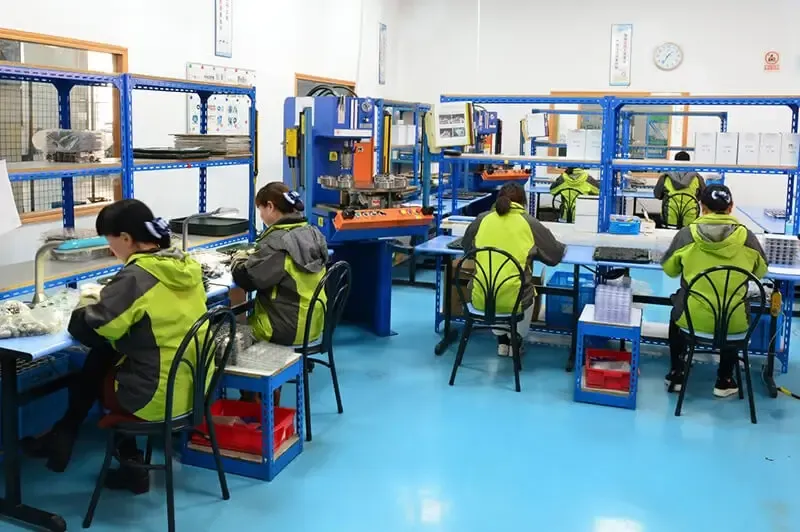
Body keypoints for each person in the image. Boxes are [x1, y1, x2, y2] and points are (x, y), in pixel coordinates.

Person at [24, 199, 208, 494]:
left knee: (101, 358)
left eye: (111, 242)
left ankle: (85, 440)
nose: (111, 251)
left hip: (154, 396)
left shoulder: (136, 277)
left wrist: (86, 306)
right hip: (193, 387)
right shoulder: (185, 265)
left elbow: (92, 325)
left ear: (126, 238)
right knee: (108, 351)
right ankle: (67, 433)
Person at [661, 184, 768, 397]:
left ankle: (677, 373)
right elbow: (761, 271)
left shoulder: (686, 235)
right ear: (731, 208)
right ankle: (725, 379)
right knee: (733, 306)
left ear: (702, 207)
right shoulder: (747, 237)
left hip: (693, 320)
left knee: (677, 311)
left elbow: (669, 270)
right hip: (735, 322)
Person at [462, 182, 566, 356]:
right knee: (520, 289)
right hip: (515, 301)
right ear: (523, 201)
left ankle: (502, 342)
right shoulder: (529, 222)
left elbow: (467, 248)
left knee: (497, 286)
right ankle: (516, 340)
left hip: (481, 297)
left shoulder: (482, 219)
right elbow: (554, 256)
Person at [231, 182, 328, 346]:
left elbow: (247, 279)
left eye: (260, 209)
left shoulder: (277, 243)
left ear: (270, 206)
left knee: (220, 332)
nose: (261, 215)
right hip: (314, 324)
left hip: (284, 329)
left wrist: (238, 258)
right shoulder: (311, 232)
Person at [653, 150, 707, 228]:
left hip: (669, 220)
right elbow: (704, 195)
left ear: (675, 162)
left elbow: (657, 195)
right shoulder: (697, 178)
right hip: (690, 221)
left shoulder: (665, 177)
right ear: (689, 162)